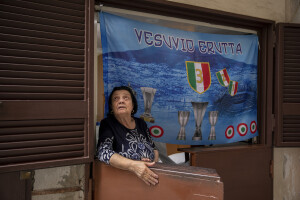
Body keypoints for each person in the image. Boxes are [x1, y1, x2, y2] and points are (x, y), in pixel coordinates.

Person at [96, 86, 159, 186]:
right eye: (116, 98)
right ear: (112, 106)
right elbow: (103, 152)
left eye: (126, 98)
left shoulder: (141, 123)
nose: (121, 101)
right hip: (122, 183)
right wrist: (133, 165)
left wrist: (151, 163)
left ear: (133, 105)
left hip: (148, 180)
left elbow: (154, 149)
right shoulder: (108, 124)